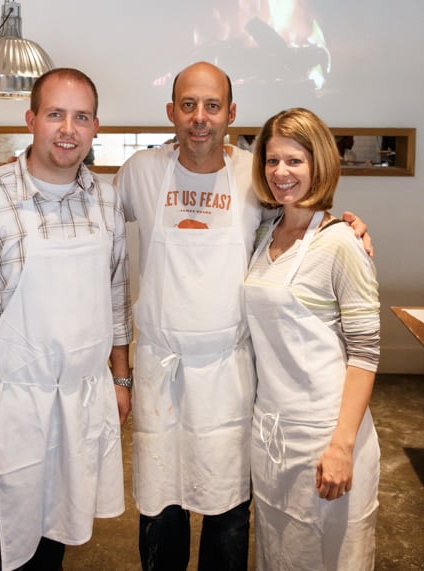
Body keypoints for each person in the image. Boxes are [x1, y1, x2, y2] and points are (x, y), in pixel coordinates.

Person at [114, 61, 370, 571]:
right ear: (171, 112)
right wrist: (118, 365)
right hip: (161, 370)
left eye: (212, 106)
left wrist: (347, 223)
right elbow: (98, 238)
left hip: (229, 373)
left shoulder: (252, 175)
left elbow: (299, 217)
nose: (200, 118)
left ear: (231, 113)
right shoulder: (140, 172)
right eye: (188, 105)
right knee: (160, 509)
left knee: (228, 509)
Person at [0, 67, 133, 571]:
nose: (68, 129)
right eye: (56, 114)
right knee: (2, 552)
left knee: (54, 541)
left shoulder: (106, 201)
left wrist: (120, 378)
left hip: (77, 405)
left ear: (96, 126)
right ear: (32, 119)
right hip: (4, 414)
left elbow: (115, 298)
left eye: (81, 117)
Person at [244, 107, 380, 570]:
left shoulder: (340, 242)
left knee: (330, 555)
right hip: (272, 435)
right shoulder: (265, 232)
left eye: (295, 161)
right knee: (280, 554)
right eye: (272, 160)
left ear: (319, 163)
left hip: (326, 435)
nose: (281, 172)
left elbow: (365, 353)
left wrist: (341, 446)